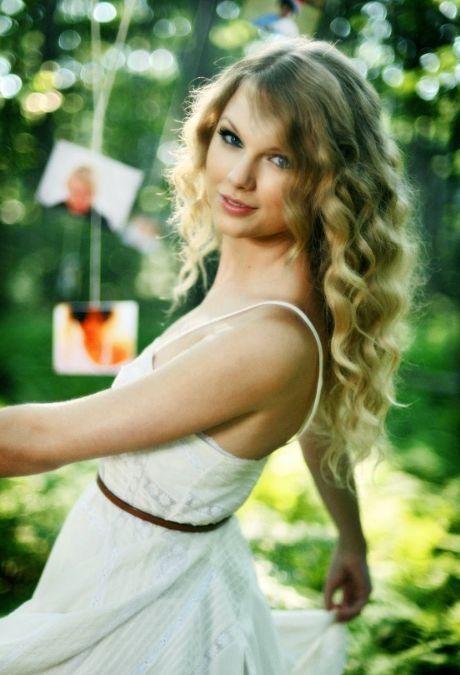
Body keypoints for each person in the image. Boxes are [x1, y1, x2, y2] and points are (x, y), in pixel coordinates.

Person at [0, 37, 422, 673]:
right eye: (231, 139)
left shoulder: (270, 341)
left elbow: (32, 439)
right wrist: (351, 540)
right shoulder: (268, 292)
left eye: (278, 157)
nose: (239, 177)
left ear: (330, 179)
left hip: (144, 610)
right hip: (130, 568)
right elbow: (321, 427)